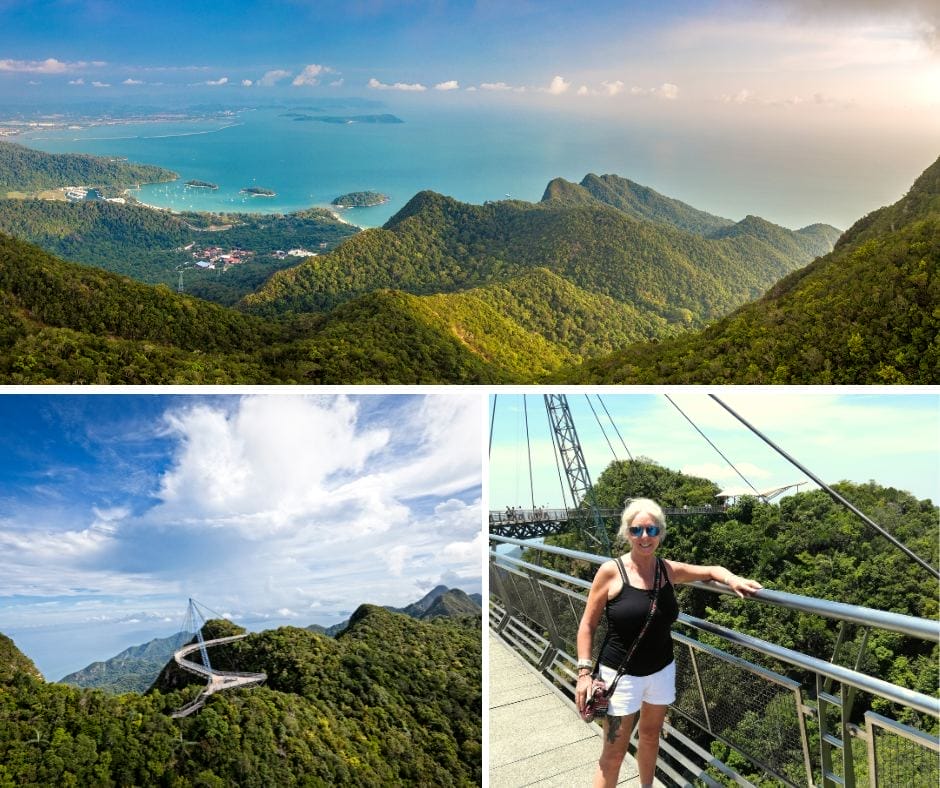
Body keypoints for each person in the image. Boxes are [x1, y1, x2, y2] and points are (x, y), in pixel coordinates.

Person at [575, 498, 762, 788]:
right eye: (637, 530)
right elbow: (587, 625)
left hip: (661, 671)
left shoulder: (667, 570)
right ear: (627, 533)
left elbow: (711, 570)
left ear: (660, 533)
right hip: (621, 677)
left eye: (651, 530)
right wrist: (584, 673)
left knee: (650, 737)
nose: (644, 537)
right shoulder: (611, 571)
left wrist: (733, 579)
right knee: (613, 755)